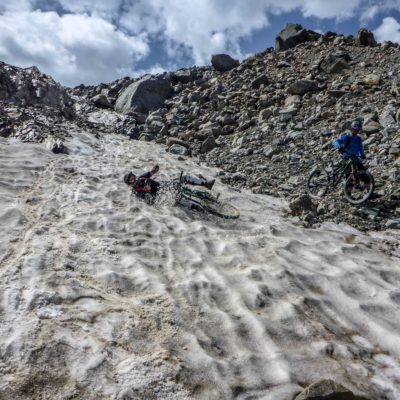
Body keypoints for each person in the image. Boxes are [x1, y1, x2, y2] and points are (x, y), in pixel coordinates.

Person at [123, 165, 215, 199]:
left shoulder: (141, 178)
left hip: (166, 185)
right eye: (131, 179)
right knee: (182, 199)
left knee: (185, 178)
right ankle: (203, 210)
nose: (134, 179)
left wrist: (155, 169)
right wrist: (147, 191)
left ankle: (206, 184)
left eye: (133, 177)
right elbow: (149, 202)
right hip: (164, 196)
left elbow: (151, 172)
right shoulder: (136, 192)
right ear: (129, 184)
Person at [333, 119, 369, 190]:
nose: (356, 131)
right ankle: (348, 194)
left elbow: (360, 148)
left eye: (357, 130)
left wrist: (362, 155)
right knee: (349, 175)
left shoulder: (358, 139)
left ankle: (369, 192)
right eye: (355, 130)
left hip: (355, 158)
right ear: (351, 129)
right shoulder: (347, 136)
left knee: (364, 174)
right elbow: (336, 141)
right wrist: (339, 147)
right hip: (346, 158)